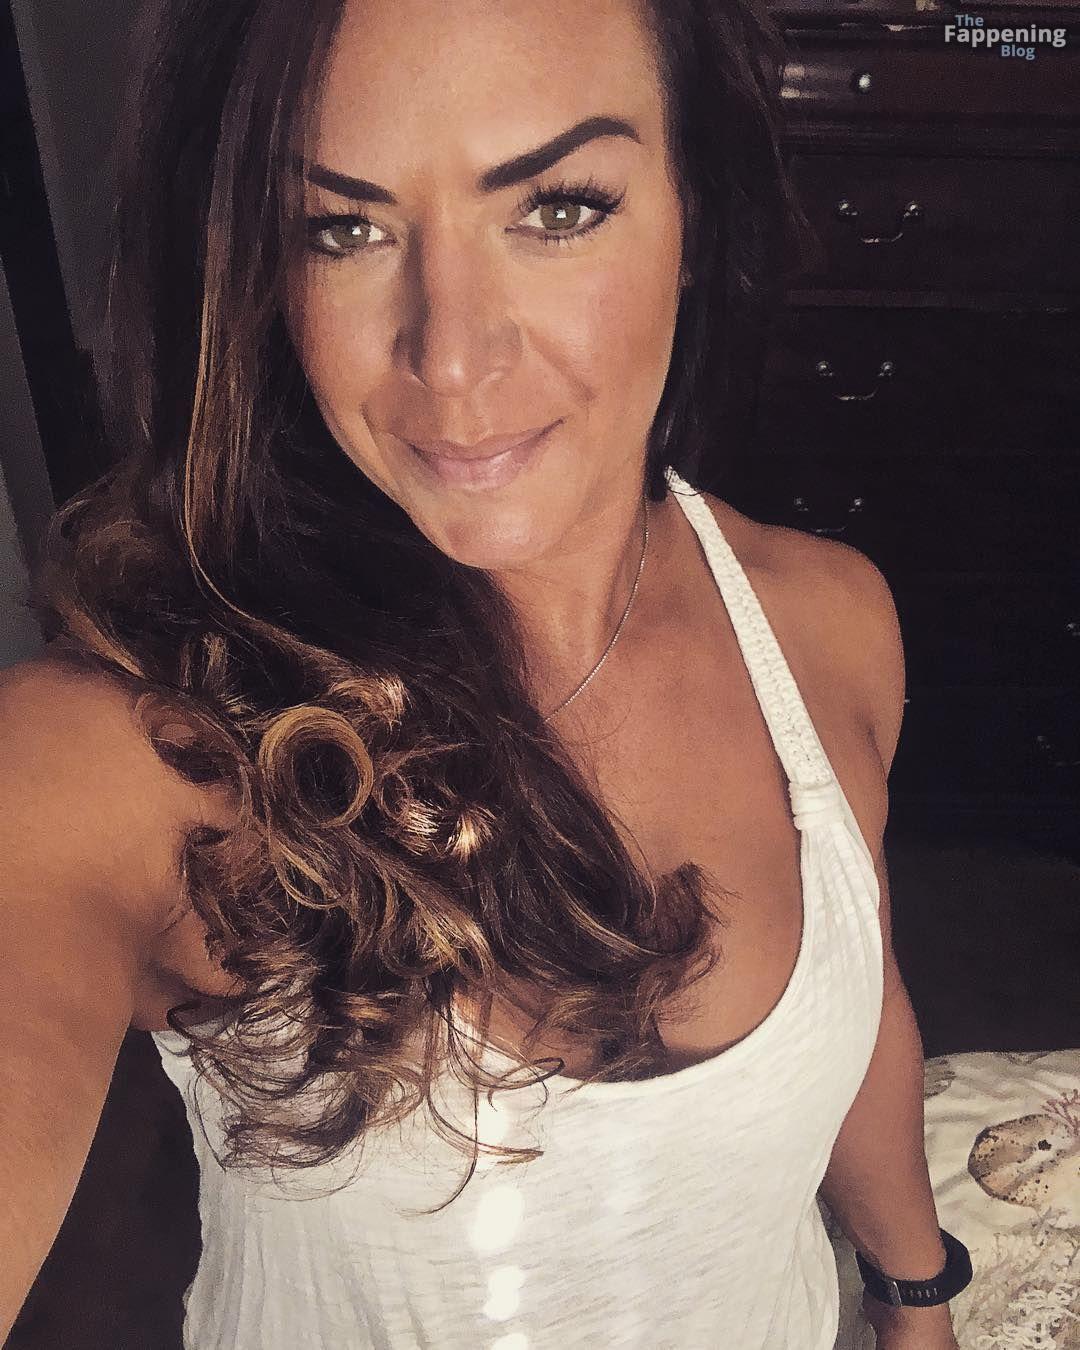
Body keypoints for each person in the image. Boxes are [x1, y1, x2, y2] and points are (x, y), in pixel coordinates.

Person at [0, 0, 969, 1345]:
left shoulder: (826, 623)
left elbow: (855, 1013)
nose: (450, 360)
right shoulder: (137, 754)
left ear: (700, 205)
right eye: (341, 228)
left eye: (558, 208)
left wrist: (915, 1293)